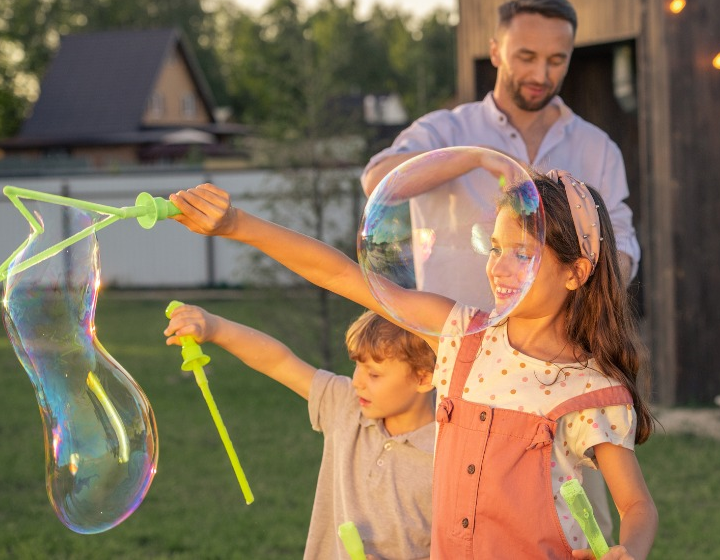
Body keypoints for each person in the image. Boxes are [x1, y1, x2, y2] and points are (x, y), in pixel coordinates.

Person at [168, 172, 657, 559]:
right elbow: (339, 273)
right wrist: (237, 225)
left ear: (576, 272)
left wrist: (629, 551)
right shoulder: (459, 336)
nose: (499, 268)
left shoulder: (588, 392)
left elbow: (636, 506)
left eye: (523, 254)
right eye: (495, 249)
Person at [361, 0, 636, 538]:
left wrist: (591, 290)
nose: (541, 74)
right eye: (526, 56)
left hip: (554, 377)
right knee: (443, 524)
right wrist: (472, 157)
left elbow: (622, 245)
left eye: (557, 59)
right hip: (455, 370)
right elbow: (379, 180)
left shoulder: (596, 147)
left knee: (583, 530)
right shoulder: (446, 128)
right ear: (495, 52)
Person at [164, 306, 435, 560]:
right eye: (357, 367)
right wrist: (214, 328)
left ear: (423, 378)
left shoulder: (448, 454)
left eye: (374, 375)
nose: (357, 382)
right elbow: (278, 362)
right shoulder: (345, 405)